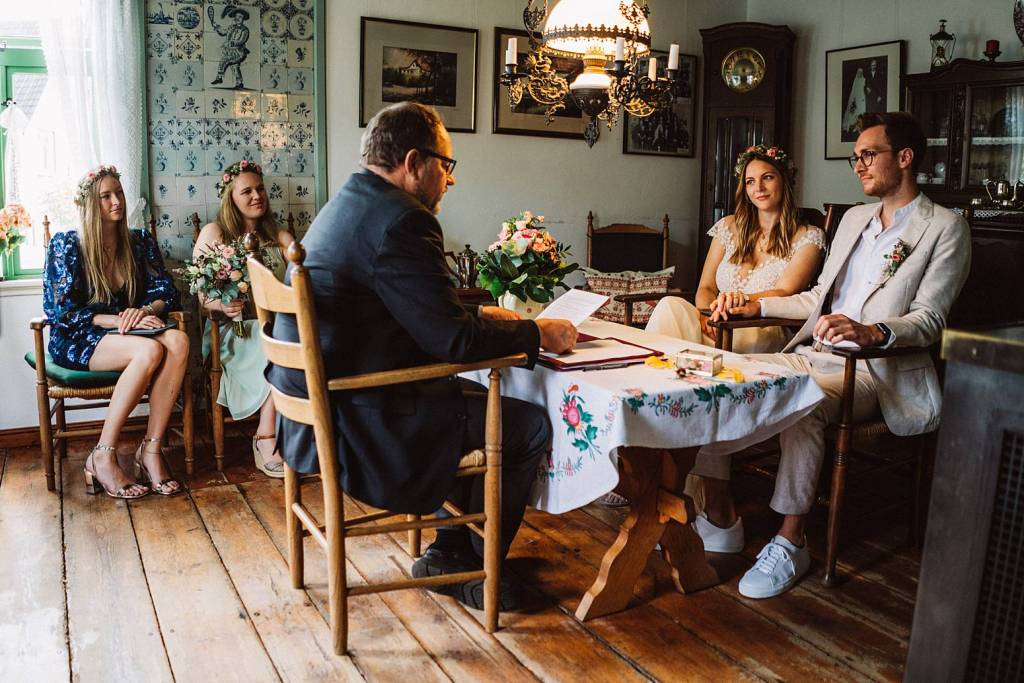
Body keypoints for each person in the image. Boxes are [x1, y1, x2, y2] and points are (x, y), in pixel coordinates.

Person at [266, 101, 578, 609]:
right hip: (361, 424)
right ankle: (477, 568)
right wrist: (536, 333)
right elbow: (454, 344)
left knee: (470, 399)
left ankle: (449, 552)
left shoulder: (348, 202)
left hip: (308, 417)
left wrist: (486, 320)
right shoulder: (404, 220)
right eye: (446, 165)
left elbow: (408, 310)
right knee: (527, 425)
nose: (450, 180)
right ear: (414, 163)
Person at [690, 112, 971, 599]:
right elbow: (815, 298)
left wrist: (871, 332)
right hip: (810, 350)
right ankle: (720, 514)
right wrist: (754, 303)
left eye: (868, 154)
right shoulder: (854, 219)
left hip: (875, 371)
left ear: (904, 158)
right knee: (723, 381)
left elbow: (930, 320)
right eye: (855, 156)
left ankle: (790, 540)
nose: (858, 165)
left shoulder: (945, 227)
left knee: (803, 401)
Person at [43, 165, 189, 499]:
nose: (116, 202)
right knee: (150, 351)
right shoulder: (67, 245)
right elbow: (63, 312)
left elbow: (167, 291)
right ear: (89, 205)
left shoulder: (139, 241)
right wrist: (121, 320)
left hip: (129, 331)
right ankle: (103, 454)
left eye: (119, 193)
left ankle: (150, 451)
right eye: (105, 196)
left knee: (178, 341)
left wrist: (146, 311)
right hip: (79, 336)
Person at [646, 144, 826, 354]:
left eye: (767, 177)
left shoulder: (809, 236)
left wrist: (742, 301)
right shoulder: (728, 226)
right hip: (716, 320)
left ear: (784, 180)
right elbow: (706, 287)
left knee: (685, 346)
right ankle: (651, 376)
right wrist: (706, 314)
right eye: (750, 181)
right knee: (670, 305)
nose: (758, 187)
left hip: (760, 326)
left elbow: (786, 291)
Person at [194, 159, 291, 478]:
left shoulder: (277, 234)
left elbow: (306, 267)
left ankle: (302, 435)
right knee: (278, 345)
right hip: (229, 333)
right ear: (231, 199)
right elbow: (202, 296)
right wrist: (223, 306)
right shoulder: (215, 232)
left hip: (276, 327)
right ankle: (266, 437)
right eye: (246, 191)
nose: (256, 196)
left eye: (260, 189)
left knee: (294, 339)